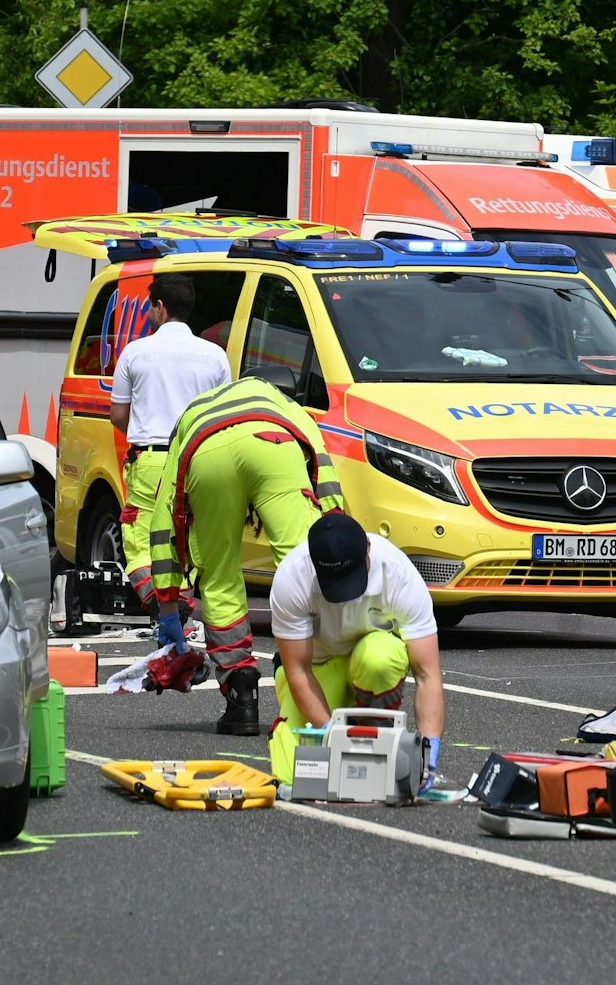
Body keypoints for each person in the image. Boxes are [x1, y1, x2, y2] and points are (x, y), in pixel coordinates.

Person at [148, 373, 344, 734]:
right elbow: (325, 476)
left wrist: (167, 609)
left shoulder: (192, 415)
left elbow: (163, 519)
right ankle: (301, 673)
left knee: (220, 578)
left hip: (206, 454)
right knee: (302, 565)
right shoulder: (287, 408)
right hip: (273, 444)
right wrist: (338, 538)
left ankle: (242, 698)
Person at [267, 511, 445, 788]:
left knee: (379, 659)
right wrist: (331, 736)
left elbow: (427, 674)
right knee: (296, 777)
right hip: (318, 667)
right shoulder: (292, 578)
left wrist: (428, 747)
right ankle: (346, 735)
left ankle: (375, 735)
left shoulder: (398, 573)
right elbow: (298, 670)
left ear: (368, 552)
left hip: (370, 657)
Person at [109, 274, 231, 635]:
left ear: (159, 307)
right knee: (189, 539)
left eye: (149, 306)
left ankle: (163, 605)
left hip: (151, 460)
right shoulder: (215, 356)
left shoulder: (135, 352)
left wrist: (146, 426)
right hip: (199, 460)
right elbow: (223, 415)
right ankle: (185, 603)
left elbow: (118, 414)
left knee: (143, 540)